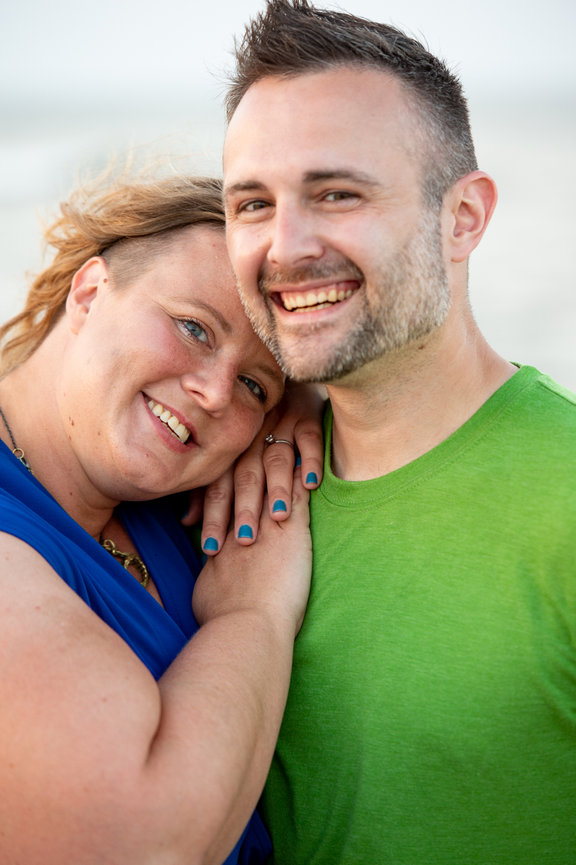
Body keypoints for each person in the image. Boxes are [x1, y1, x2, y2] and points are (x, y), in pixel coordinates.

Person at [220, 1, 576, 862]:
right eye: (252, 204)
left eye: (337, 194)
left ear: (464, 218)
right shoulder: (220, 480)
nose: (284, 247)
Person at [0, 170, 320, 865]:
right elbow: (139, 839)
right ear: (90, 292)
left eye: (252, 385)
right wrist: (254, 613)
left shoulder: (173, 498)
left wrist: (308, 406)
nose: (214, 394)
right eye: (193, 327)